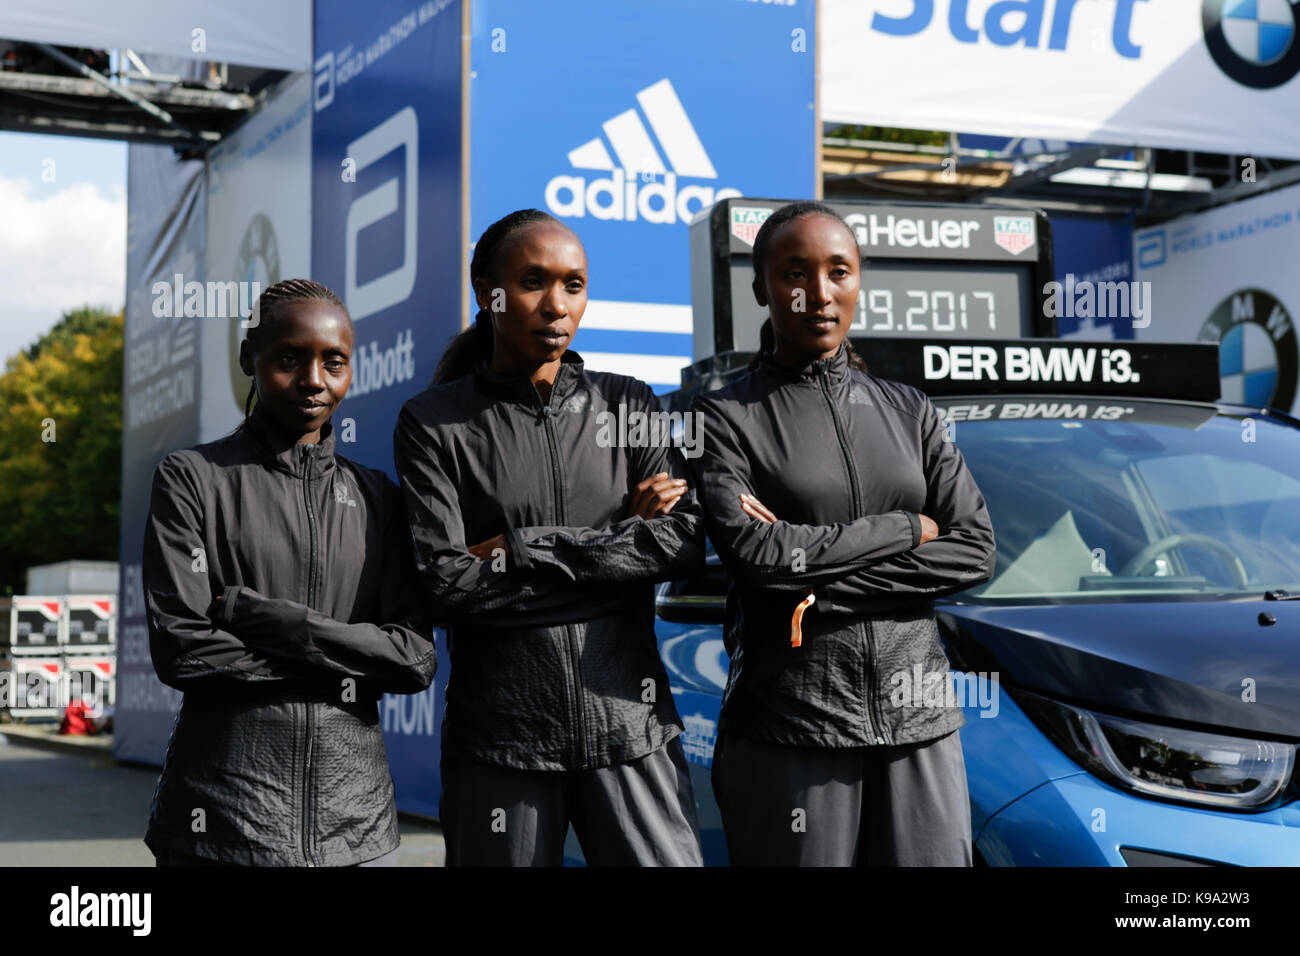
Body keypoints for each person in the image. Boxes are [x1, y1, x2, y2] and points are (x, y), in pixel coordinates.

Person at [686, 201, 996, 866]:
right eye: (795, 273)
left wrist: (820, 591)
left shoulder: (909, 409)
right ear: (761, 288)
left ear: (858, 281)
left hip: (921, 727)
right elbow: (761, 559)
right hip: (790, 728)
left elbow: (974, 546)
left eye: (839, 272)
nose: (818, 294)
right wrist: (908, 527)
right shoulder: (722, 417)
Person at [394, 208, 705, 866]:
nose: (557, 305)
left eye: (574, 284)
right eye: (534, 281)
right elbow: (447, 587)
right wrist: (619, 548)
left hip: (633, 730)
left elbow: (679, 546)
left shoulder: (630, 404)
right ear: (489, 292)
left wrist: (522, 549)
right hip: (500, 743)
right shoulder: (435, 423)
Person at [142, 279, 436, 867]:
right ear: (249, 358)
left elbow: (413, 659)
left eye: (334, 362)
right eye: (289, 358)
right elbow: (183, 650)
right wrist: (348, 659)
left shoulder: (380, 498)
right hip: (220, 822)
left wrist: (259, 616)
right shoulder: (193, 478)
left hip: (354, 830)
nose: (313, 380)